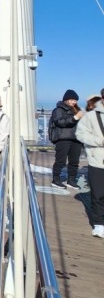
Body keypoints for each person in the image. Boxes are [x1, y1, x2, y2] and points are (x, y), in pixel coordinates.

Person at [76, 90, 104, 238]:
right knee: (98, 194)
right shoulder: (91, 116)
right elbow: (80, 134)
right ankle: (99, 224)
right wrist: (98, 141)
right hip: (97, 160)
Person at [49, 89, 84, 189]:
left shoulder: (77, 110)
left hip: (76, 139)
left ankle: (71, 180)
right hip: (63, 138)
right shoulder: (58, 110)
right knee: (60, 161)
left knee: (74, 162)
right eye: (72, 100)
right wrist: (75, 118)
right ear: (66, 100)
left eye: (75, 100)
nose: (74, 102)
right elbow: (60, 122)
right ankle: (56, 180)